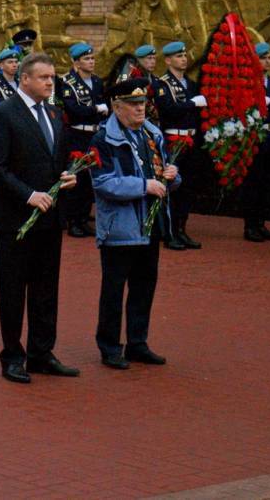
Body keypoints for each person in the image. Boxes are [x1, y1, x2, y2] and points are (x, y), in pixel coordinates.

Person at [0, 52, 79, 384]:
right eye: (44, 77)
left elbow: (57, 158)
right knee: (12, 289)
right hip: (16, 219)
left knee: (46, 287)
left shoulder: (54, 112)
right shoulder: (2, 113)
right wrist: (28, 195)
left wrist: (67, 176)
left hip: (50, 217)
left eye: (53, 77)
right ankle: (12, 356)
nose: (51, 82)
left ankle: (41, 352)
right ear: (25, 79)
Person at [90, 77, 180, 370]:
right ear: (117, 107)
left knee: (144, 286)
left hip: (150, 224)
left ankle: (137, 343)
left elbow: (165, 175)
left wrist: (171, 175)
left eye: (142, 103)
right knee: (114, 289)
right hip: (120, 227)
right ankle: (109, 346)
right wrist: (145, 186)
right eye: (133, 104)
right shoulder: (104, 139)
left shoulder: (152, 135)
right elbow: (103, 182)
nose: (140, 109)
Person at [155, 41, 207, 250]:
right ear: (168, 60)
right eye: (178, 56)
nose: (183, 59)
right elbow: (168, 110)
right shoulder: (162, 85)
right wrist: (192, 104)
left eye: (184, 55)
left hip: (190, 140)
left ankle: (181, 229)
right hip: (172, 140)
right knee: (172, 188)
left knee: (187, 188)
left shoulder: (191, 83)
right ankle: (169, 233)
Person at [58, 42, 108, 238]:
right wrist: (94, 110)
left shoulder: (96, 82)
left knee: (90, 179)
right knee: (76, 177)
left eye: (92, 58)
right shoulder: (68, 83)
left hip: (94, 134)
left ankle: (84, 218)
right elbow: (73, 109)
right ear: (76, 62)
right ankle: (73, 221)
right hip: (77, 134)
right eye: (86, 59)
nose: (91, 62)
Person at [241, 43, 270, 242]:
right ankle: (250, 225)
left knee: (269, 182)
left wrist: (269, 100)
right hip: (255, 136)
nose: (267, 61)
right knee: (254, 182)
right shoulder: (248, 84)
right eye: (263, 58)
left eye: (269, 58)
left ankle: (261, 223)